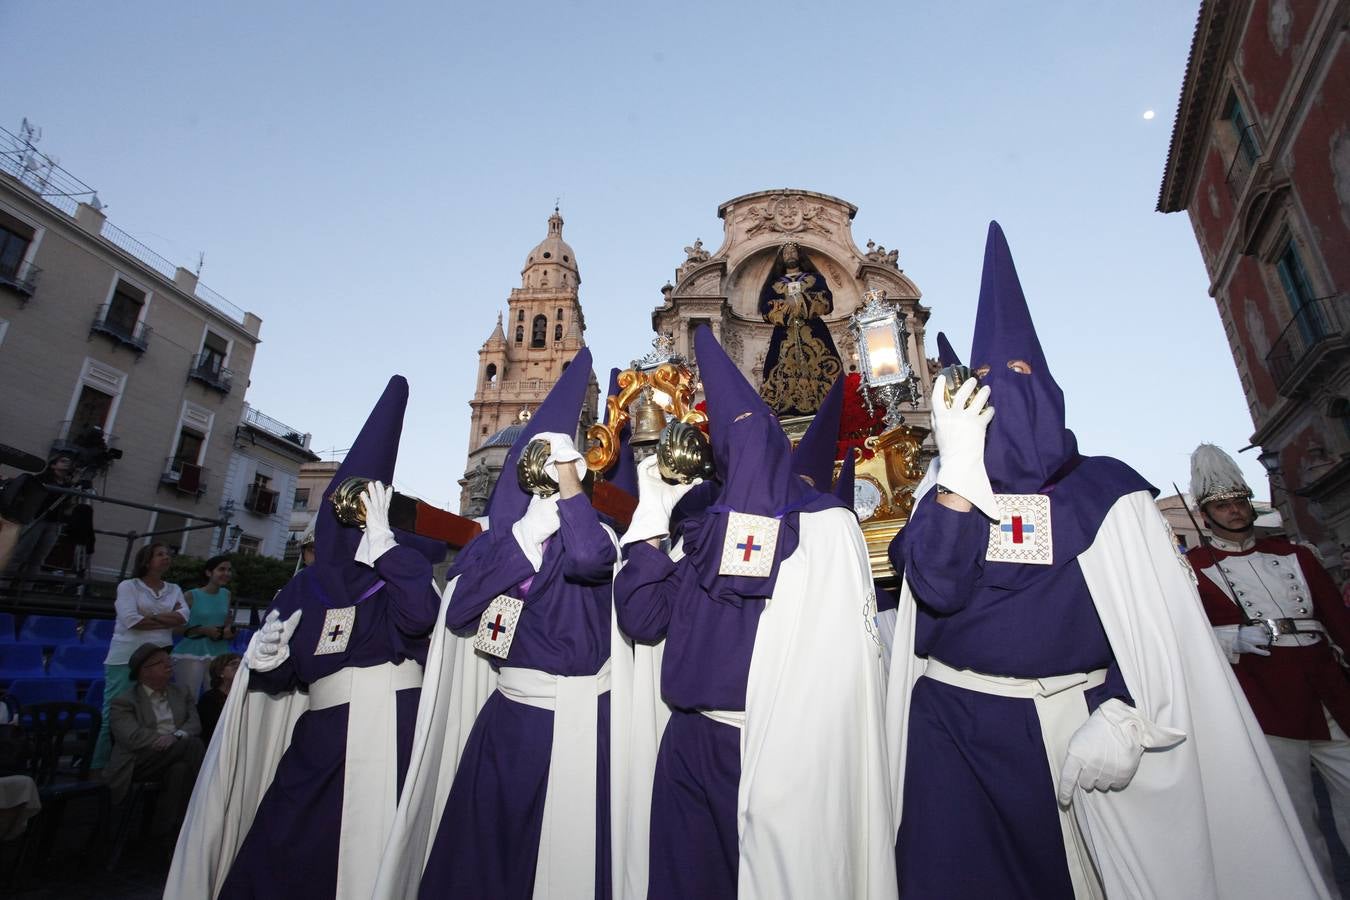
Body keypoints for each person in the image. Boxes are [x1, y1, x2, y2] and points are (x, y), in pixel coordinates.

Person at [885, 222, 1328, 898]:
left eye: (1022, 375)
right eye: (982, 379)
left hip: (1084, 722)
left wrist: (1125, 709)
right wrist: (962, 472)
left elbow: (1162, 626)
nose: (1003, 389)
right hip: (960, 728)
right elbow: (938, 588)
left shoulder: (1106, 491)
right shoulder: (943, 495)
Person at [613, 326, 893, 899]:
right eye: (731, 445)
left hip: (781, 747)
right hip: (691, 743)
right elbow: (642, 617)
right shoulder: (696, 536)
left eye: (753, 438)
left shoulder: (822, 530)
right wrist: (650, 519)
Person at [166, 375, 445, 900]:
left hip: (398, 727)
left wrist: (386, 549)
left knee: (394, 856)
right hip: (324, 736)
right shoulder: (303, 587)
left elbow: (419, 618)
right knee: (290, 848)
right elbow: (285, 675)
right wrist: (266, 660)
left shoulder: (403, 568)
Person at [379, 349, 617, 899]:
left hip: (581, 715)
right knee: (490, 849)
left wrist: (570, 487)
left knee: (571, 854)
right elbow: (459, 614)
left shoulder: (596, 532)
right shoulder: (496, 542)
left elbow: (587, 561)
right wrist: (521, 544)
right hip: (511, 717)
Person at [1185, 442, 1350, 889]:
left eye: (1239, 502)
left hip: (1330, 691)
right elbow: (1186, 636)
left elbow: (1339, 620)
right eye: (1223, 505)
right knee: (1295, 819)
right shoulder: (1193, 569)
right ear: (1206, 514)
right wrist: (1231, 637)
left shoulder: (1298, 554)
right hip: (1266, 698)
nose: (1235, 512)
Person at [93, 543, 187, 771]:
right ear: (146, 561)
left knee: (153, 710)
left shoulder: (174, 589)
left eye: (168, 554)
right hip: (125, 656)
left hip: (160, 655)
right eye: (160, 554)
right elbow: (130, 620)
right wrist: (166, 616)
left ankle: (143, 760)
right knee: (114, 711)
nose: (166, 557)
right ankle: (99, 763)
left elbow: (183, 617)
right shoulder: (129, 586)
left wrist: (150, 614)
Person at [105, 643, 204, 837]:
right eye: (161, 663)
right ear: (144, 671)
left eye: (169, 662)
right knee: (193, 745)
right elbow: (132, 737)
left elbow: (194, 724)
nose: (169, 666)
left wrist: (174, 737)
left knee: (181, 771)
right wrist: (166, 739)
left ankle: (168, 837)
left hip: (175, 752)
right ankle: (208, 801)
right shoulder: (124, 701)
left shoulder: (181, 692)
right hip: (139, 759)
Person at [758, 241, 842, 416]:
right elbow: (766, 309)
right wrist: (784, 307)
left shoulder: (815, 279)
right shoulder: (773, 285)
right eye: (786, 252)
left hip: (814, 332)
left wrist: (798, 303)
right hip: (784, 334)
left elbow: (826, 301)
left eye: (793, 251)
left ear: (800, 256)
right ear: (781, 258)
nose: (790, 254)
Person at [171, 555, 236, 698]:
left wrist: (227, 631)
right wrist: (202, 630)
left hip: (219, 655)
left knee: (217, 699)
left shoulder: (227, 595)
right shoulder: (190, 595)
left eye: (229, 570)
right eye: (221, 569)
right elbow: (174, 628)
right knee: (188, 699)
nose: (226, 573)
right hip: (191, 653)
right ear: (208, 573)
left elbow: (226, 622)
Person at [196, 652, 240, 746]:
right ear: (220, 672)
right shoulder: (209, 699)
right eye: (233, 664)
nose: (239, 667)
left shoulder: (248, 695)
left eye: (241, 664)